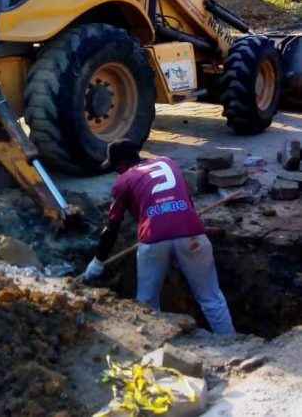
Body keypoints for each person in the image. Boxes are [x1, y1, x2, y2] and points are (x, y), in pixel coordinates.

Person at [83, 139, 235, 335]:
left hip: (153, 241)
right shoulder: (168, 162)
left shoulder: (124, 180)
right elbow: (186, 204)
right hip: (192, 235)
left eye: (116, 168)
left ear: (122, 164)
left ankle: (153, 344)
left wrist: (97, 263)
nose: (117, 172)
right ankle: (231, 342)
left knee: (147, 303)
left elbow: (112, 228)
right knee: (211, 298)